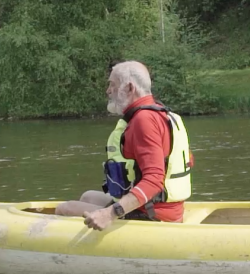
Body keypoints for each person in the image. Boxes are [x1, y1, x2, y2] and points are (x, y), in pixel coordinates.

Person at [55, 61, 192, 230]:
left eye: (112, 85)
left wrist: (111, 213)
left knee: (64, 209)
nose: (108, 90)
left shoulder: (144, 121)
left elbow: (154, 181)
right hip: (164, 208)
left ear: (129, 88)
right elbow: (186, 161)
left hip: (152, 214)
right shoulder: (164, 114)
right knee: (87, 196)